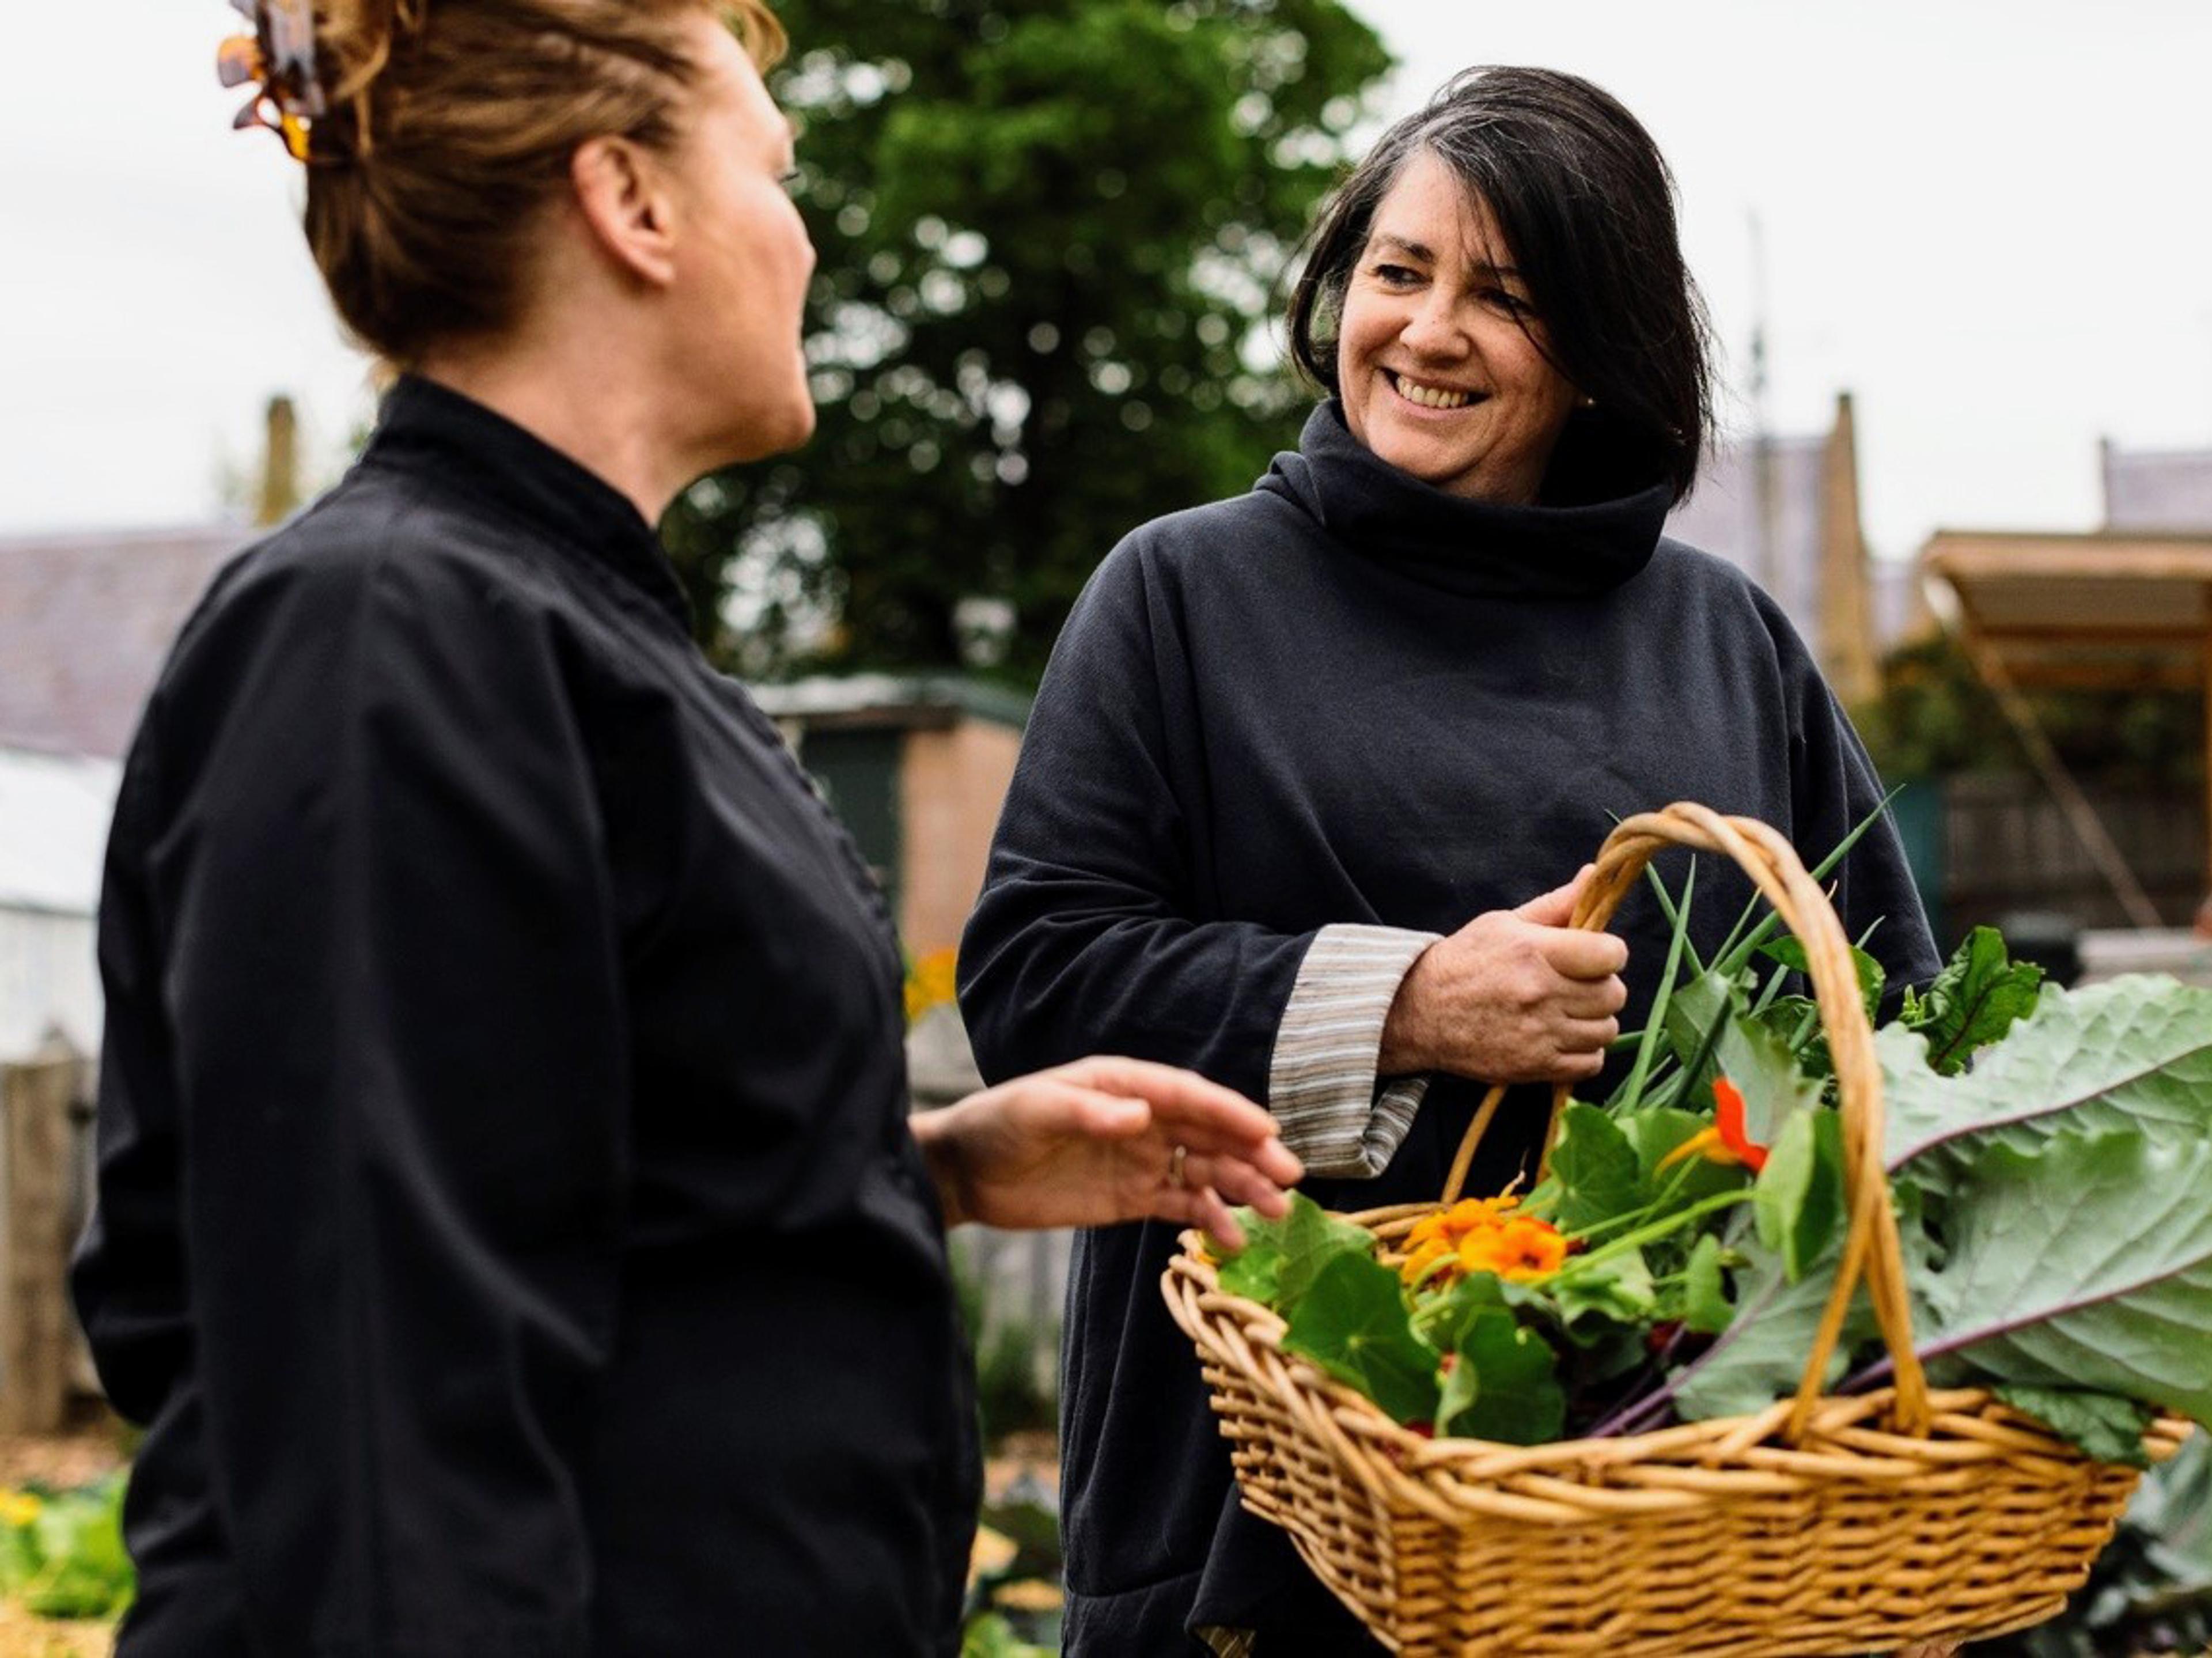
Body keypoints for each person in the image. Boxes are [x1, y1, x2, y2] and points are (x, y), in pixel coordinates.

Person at [70, 3, 1304, 1654]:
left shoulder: (568, 625)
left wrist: (911, 1169)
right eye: (774, 171)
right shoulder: (393, 638)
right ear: (629, 203)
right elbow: (382, 1423)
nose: (801, 238)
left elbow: (555, 1170)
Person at [957, 65, 1942, 1656]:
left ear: (1601, 354)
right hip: (1255, 1529)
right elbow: (1034, 985)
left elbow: (1888, 1033)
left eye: (1501, 295)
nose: (1423, 330)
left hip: (1679, 1527)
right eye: (1397, 271)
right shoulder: (1185, 598)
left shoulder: (1728, 642)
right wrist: (1405, 1001)